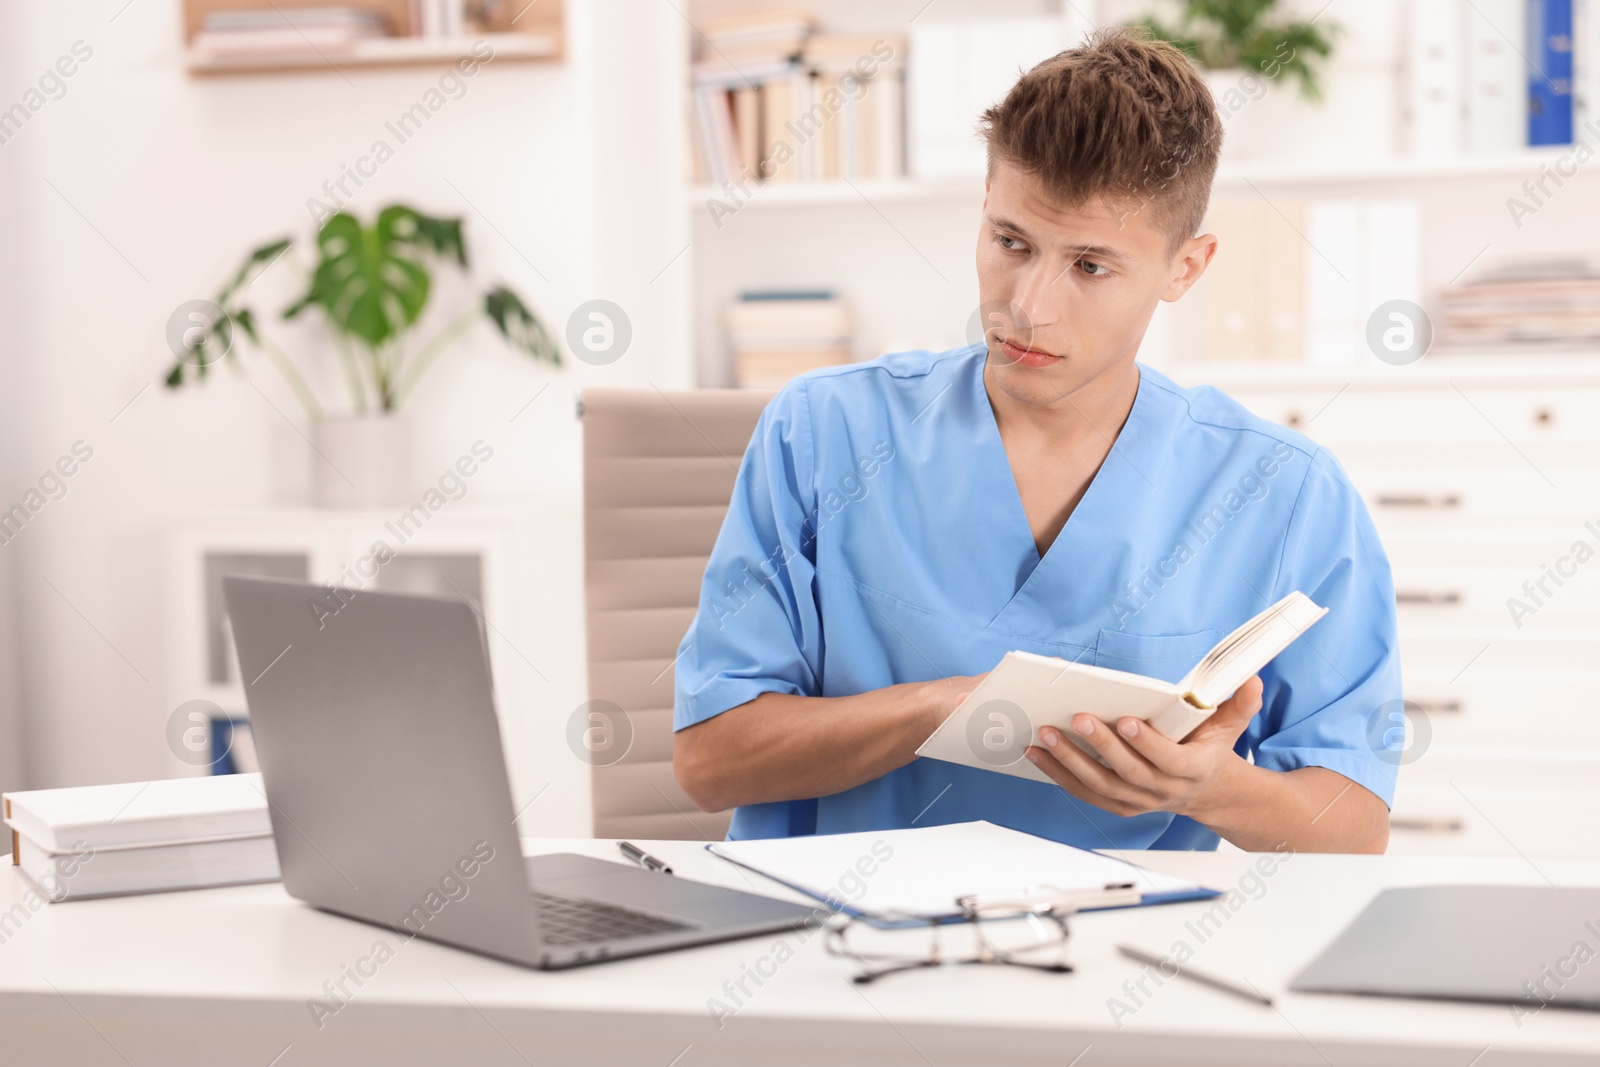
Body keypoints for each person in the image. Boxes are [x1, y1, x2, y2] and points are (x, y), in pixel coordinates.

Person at [672, 27, 1398, 853]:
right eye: (1011, 242)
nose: (1029, 306)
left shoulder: (1284, 489)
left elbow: (1355, 824)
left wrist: (1213, 786)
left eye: (1090, 266)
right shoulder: (822, 433)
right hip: (838, 949)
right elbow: (709, 761)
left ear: (1185, 269)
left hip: (1124, 955)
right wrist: (950, 709)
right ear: (984, 207)